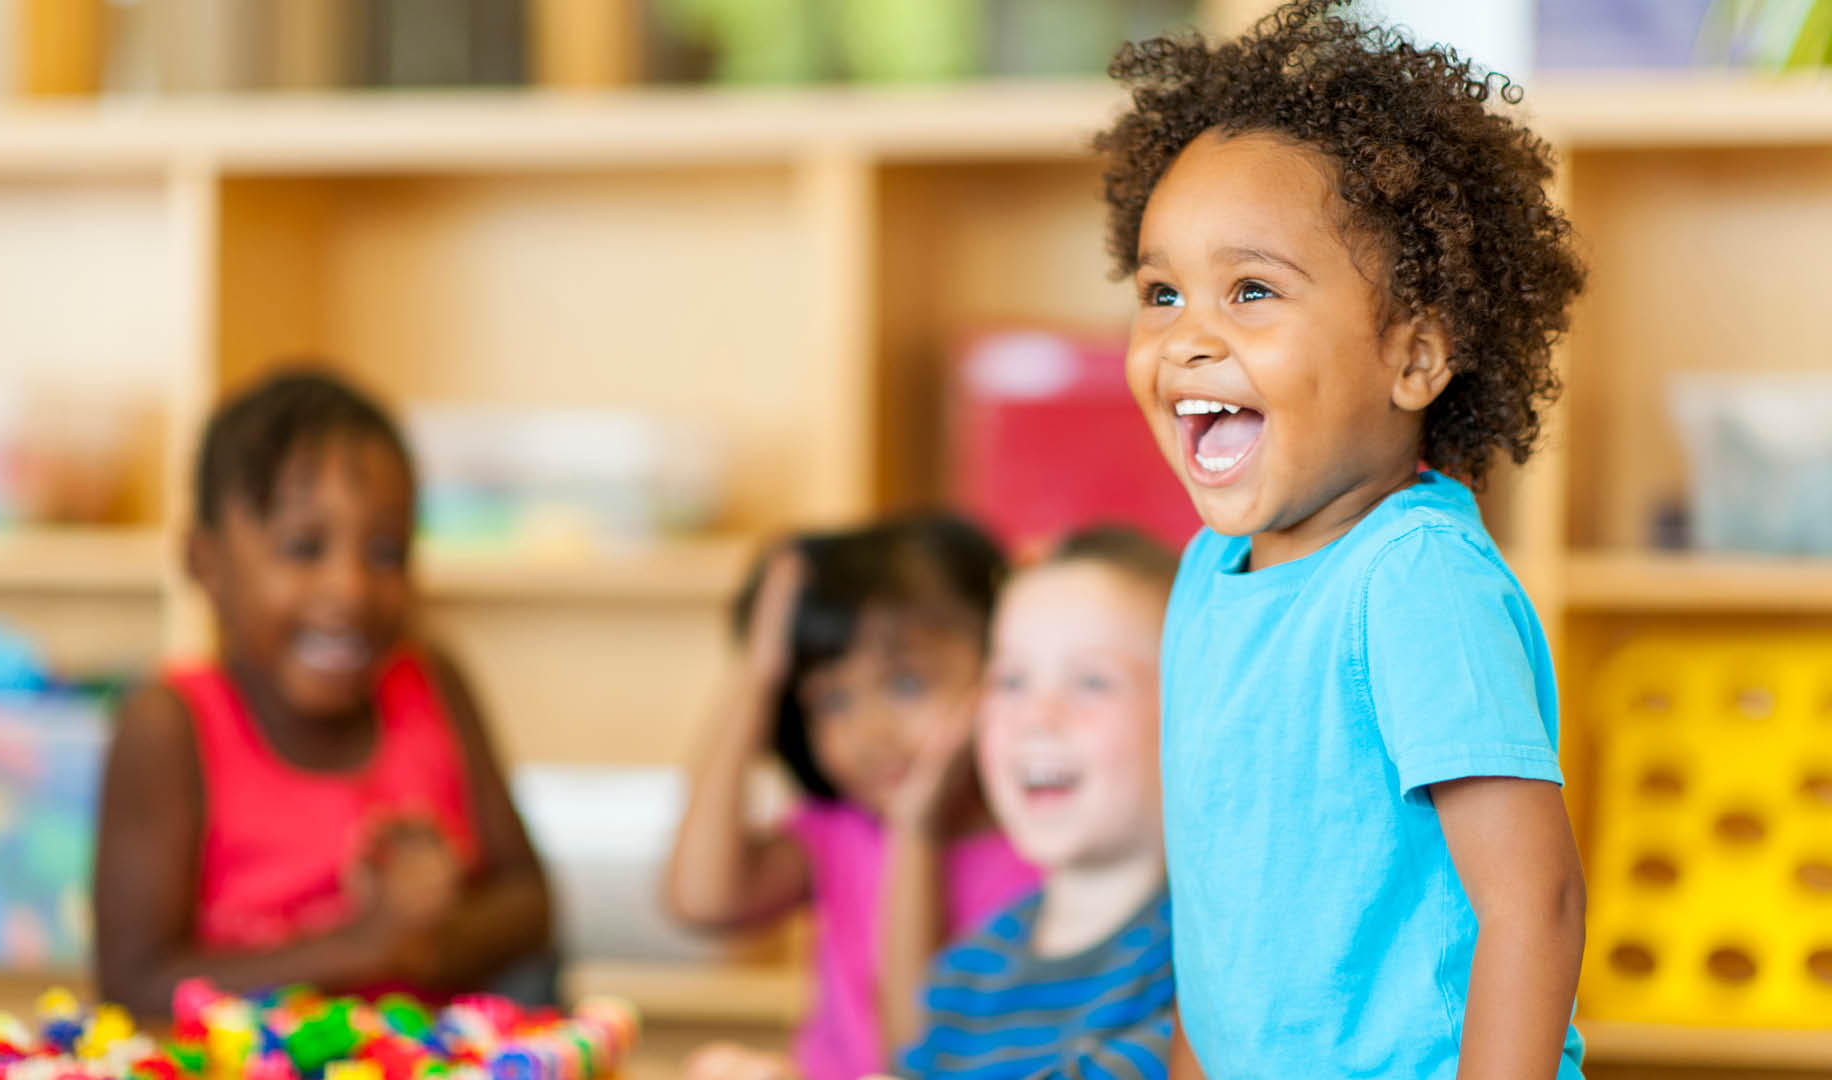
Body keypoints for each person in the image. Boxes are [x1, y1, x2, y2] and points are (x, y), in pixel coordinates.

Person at [1096, 2, 1589, 1075]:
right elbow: (1223, 924)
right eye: (1162, 292)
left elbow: (1534, 902)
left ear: (1414, 359)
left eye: (1253, 290)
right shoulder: (1208, 576)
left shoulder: (1413, 579)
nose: (1188, 338)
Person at [95, 369, 553, 1016]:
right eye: (304, 547)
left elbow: (531, 901)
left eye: (387, 551)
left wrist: (435, 931)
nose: (352, 589)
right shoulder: (168, 726)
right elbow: (136, 981)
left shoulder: (433, 686)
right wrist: (363, 945)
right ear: (206, 564)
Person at [667, 514, 1038, 1080]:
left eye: (906, 683)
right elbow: (701, 898)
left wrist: (917, 832)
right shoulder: (836, 831)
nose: (868, 735)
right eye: (832, 701)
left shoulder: (1045, 848)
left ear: (1002, 665)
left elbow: (915, 1059)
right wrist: (757, 677)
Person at [897, 526, 1178, 1079]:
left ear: (1192, 715)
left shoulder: (1208, 954)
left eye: (1093, 681)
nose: (1037, 715)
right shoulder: (965, 974)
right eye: (1010, 681)